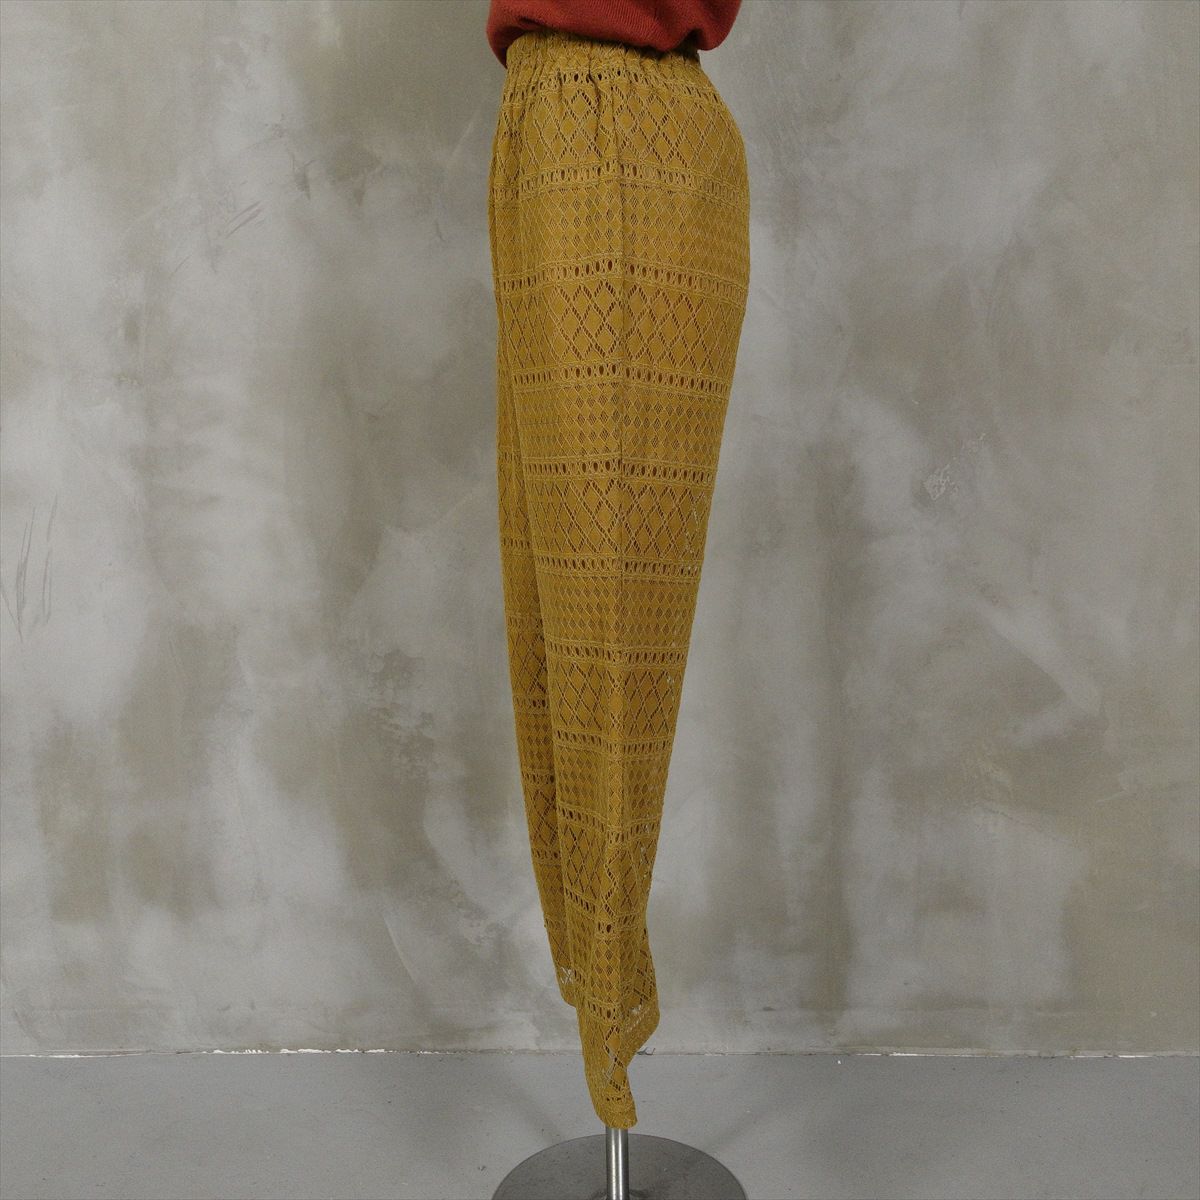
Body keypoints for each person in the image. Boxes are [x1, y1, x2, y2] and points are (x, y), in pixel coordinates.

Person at [486, 0, 749, 1131]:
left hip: (624, 120)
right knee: (546, 596)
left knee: (612, 627)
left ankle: (611, 1016)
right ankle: (599, 999)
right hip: (546, 117)